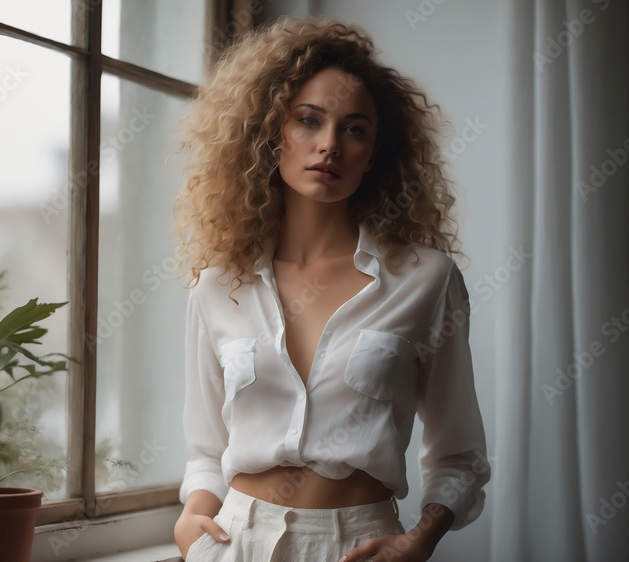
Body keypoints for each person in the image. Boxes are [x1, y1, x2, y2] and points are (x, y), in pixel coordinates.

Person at [172, 15, 490, 562]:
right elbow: (206, 450)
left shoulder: (426, 280)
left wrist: (421, 539)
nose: (329, 145)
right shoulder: (219, 286)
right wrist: (191, 519)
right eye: (308, 120)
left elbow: (460, 455)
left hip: (358, 544)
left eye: (354, 128)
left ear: (374, 153)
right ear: (272, 135)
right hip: (232, 543)